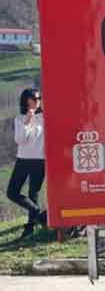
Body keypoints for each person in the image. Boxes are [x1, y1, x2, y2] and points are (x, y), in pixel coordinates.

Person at [7, 88, 47, 238]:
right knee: (12, 192)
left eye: (39, 98)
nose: (37, 101)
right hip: (23, 159)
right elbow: (20, 140)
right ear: (26, 100)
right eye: (34, 98)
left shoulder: (45, 117)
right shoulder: (20, 118)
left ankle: (29, 228)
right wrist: (28, 120)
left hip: (40, 160)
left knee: (33, 193)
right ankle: (40, 215)